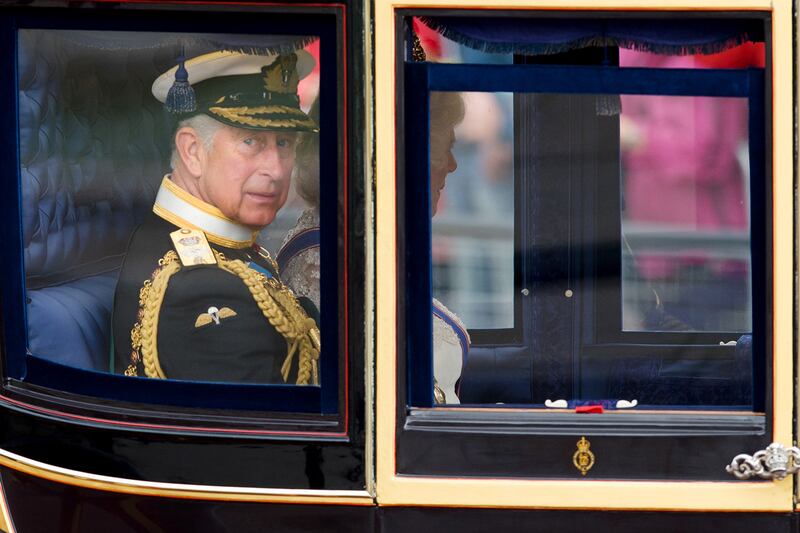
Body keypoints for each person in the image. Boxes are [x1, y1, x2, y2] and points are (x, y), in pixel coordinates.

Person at [112, 49, 321, 385]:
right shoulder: (200, 289)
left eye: (284, 142)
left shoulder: (214, 242)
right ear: (193, 151)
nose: (276, 170)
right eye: (251, 141)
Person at [277, 91, 466, 403]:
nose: (453, 165)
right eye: (446, 148)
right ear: (402, 160)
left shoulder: (366, 241)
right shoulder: (321, 262)